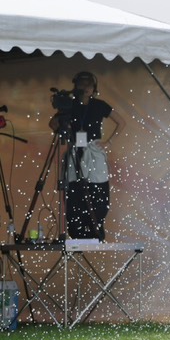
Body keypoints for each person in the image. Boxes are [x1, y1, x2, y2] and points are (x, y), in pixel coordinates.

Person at [48, 71, 122, 241]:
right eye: (82, 85)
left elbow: (121, 122)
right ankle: (78, 231)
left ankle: (95, 228)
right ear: (77, 87)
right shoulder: (70, 105)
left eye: (88, 85)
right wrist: (65, 134)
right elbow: (53, 123)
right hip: (75, 150)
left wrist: (108, 143)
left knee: (98, 188)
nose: (85, 88)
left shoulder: (100, 105)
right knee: (75, 190)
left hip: (93, 150)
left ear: (94, 88)